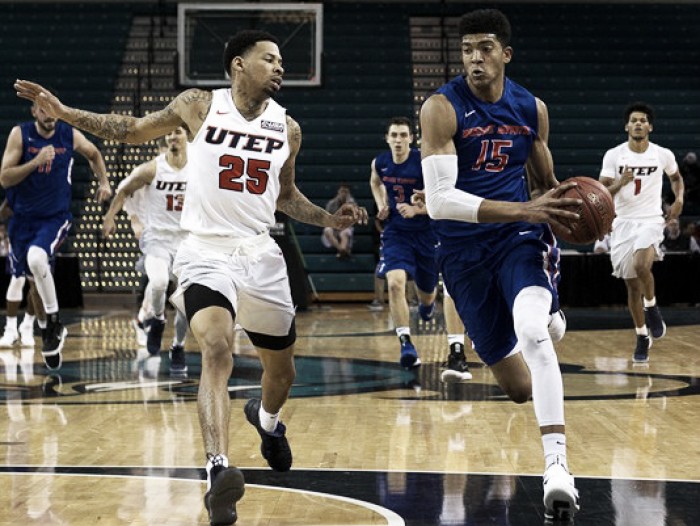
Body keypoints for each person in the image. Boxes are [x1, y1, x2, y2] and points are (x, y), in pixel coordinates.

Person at [15, 29, 367, 525]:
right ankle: (218, 470)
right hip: (203, 251)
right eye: (270, 59)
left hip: (261, 254)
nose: (280, 67)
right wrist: (67, 112)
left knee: (282, 373)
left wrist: (331, 220)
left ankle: (267, 422)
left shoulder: (288, 128)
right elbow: (131, 128)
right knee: (217, 348)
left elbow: (285, 196)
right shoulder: (199, 105)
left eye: (282, 60)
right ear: (239, 65)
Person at [419, 8, 583, 521]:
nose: (474, 59)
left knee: (531, 331)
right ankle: (551, 316)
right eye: (467, 50)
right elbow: (440, 200)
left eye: (485, 48)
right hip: (463, 252)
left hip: (517, 239)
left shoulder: (530, 108)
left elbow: (544, 184)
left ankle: (557, 468)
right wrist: (527, 207)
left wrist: (572, 210)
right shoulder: (442, 109)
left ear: (505, 54)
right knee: (517, 388)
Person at [0, 89, 111, 369]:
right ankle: (40, 325)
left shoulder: (69, 135)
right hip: (22, 220)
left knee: (37, 260)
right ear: (34, 112)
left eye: (52, 108)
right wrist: (35, 162)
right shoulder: (20, 135)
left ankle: (51, 323)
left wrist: (104, 182)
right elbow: (5, 177)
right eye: (42, 109)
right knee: (33, 279)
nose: (48, 114)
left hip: (54, 217)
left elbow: (94, 153)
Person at [599, 102, 684, 364]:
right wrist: (619, 183)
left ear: (650, 126)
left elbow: (677, 178)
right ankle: (641, 335)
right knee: (631, 285)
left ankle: (652, 307)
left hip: (650, 220)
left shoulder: (662, 154)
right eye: (634, 120)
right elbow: (601, 192)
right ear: (627, 126)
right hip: (623, 222)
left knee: (641, 265)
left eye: (643, 120)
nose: (638, 123)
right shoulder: (614, 155)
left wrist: (679, 198)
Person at [103, 127, 190, 377]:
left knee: (185, 302)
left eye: (178, 132)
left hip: (187, 242)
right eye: (169, 134)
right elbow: (123, 190)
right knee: (159, 281)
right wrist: (111, 217)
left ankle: (179, 347)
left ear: (188, 137)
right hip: (157, 239)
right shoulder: (152, 168)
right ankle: (157, 320)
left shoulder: (199, 166)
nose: (173, 137)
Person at [369, 116, 438, 368]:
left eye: (403, 135)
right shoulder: (381, 162)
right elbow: (375, 182)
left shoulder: (423, 162)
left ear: (411, 138)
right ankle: (406, 343)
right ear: (387, 138)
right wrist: (382, 205)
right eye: (394, 135)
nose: (398, 140)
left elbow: (442, 197)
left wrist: (418, 210)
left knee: (427, 293)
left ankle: (427, 305)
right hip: (396, 232)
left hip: (426, 233)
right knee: (395, 283)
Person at [321, 183, 356, 258]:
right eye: (342, 191)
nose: (343, 194)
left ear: (348, 193)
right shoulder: (331, 203)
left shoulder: (352, 204)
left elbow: (353, 219)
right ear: (338, 192)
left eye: (346, 192)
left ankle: (341, 251)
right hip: (333, 226)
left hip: (345, 227)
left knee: (345, 233)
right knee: (327, 230)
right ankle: (342, 250)